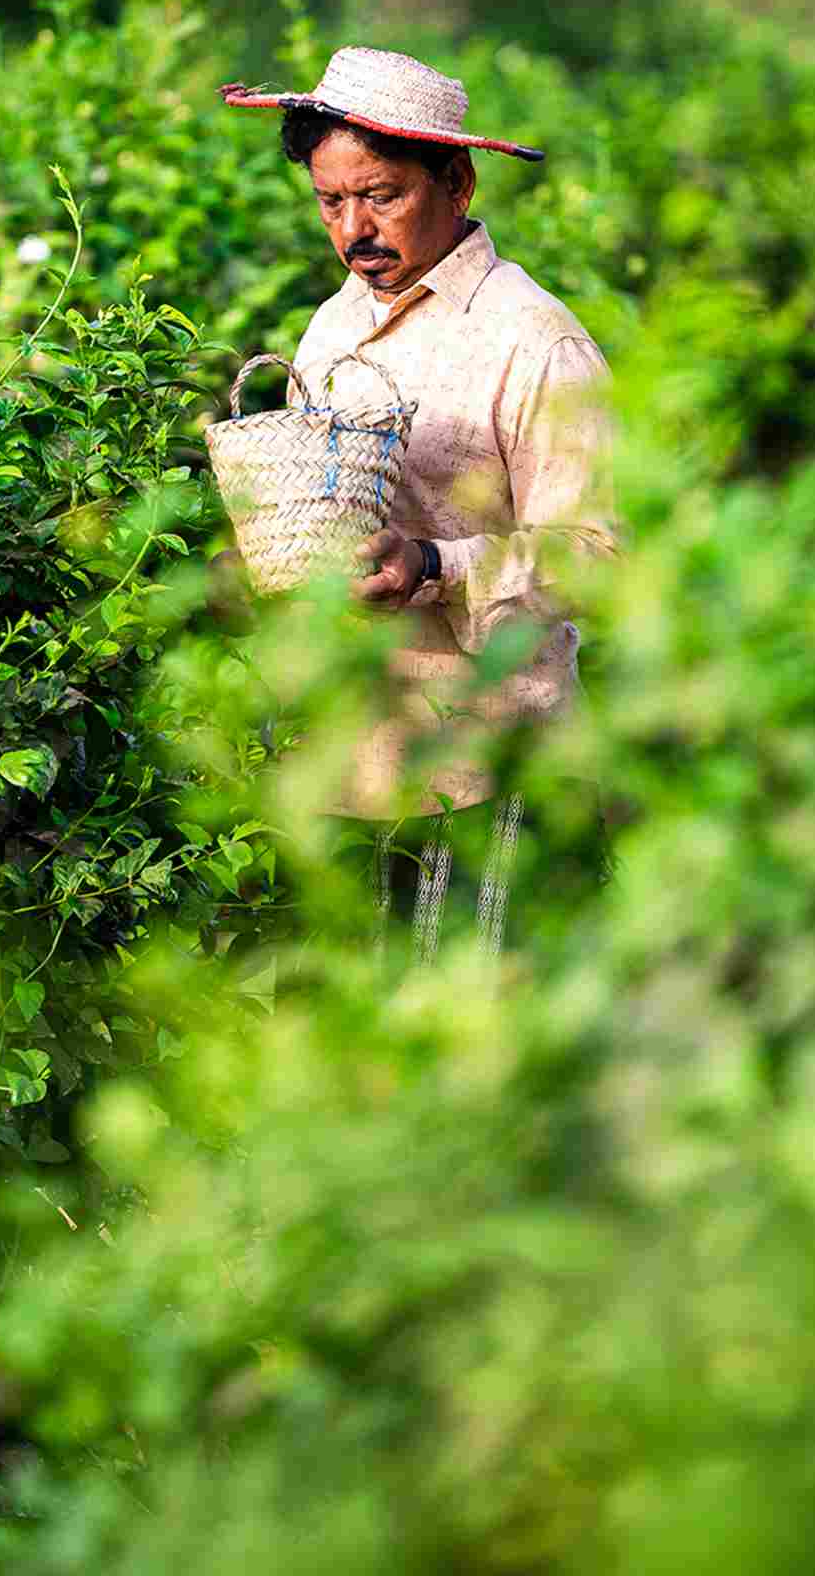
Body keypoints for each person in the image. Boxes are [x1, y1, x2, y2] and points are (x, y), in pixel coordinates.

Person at [219, 47, 618, 960]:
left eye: (381, 196)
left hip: (492, 770)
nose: (353, 228)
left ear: (456, 182)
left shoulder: (533, 342)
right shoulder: (334, 325)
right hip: (347, 764)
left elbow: (599, 555)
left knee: (484, 1027)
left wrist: (434, 565)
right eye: (330, 201)